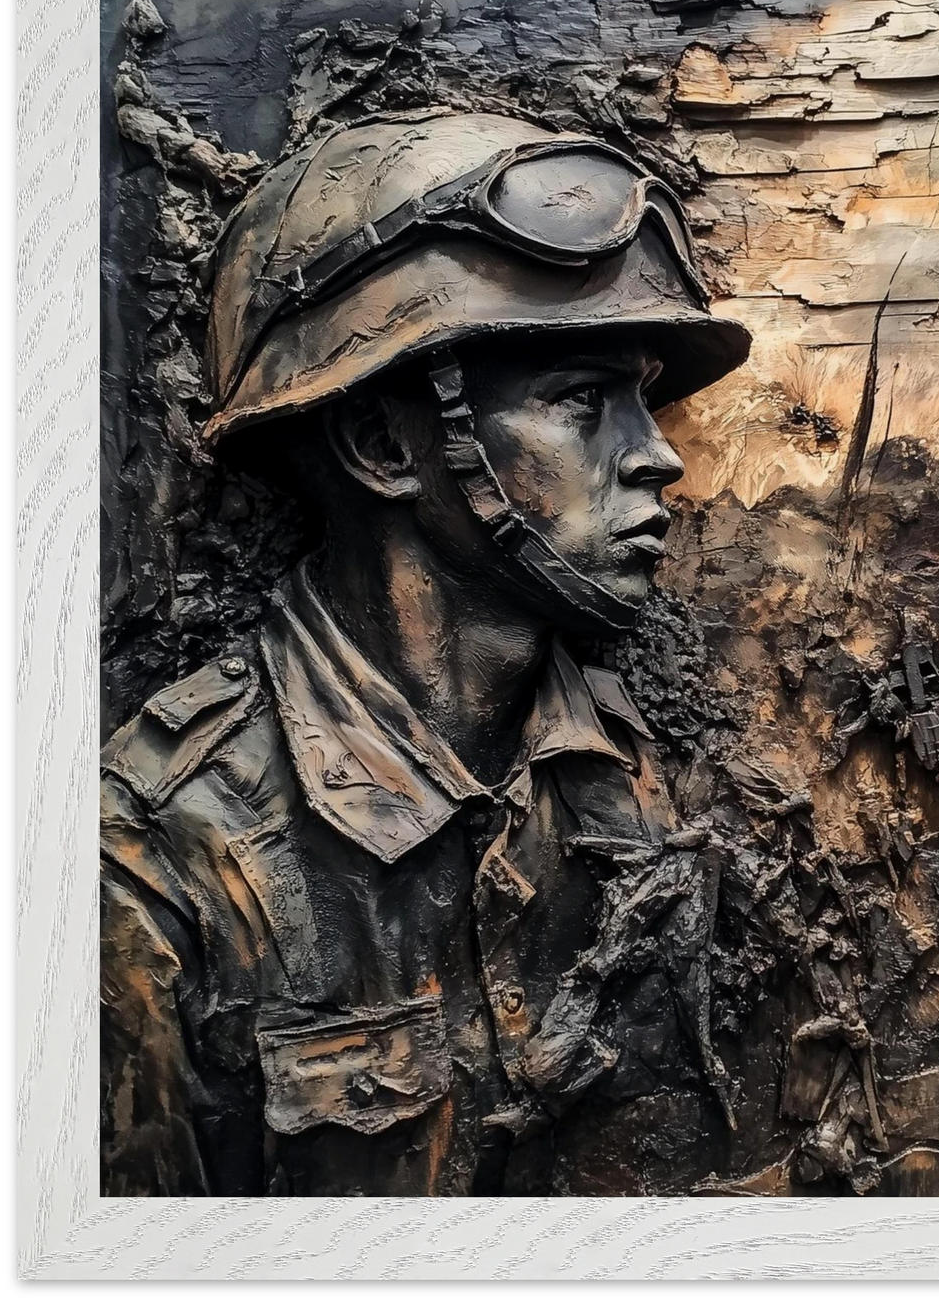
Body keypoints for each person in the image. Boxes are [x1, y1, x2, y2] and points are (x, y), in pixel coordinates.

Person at [99, 110, 752, 1197]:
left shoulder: (639, 784)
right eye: (582, 401)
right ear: (384, 443)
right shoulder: (162, 855)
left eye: (642, 396)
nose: (659, 456)